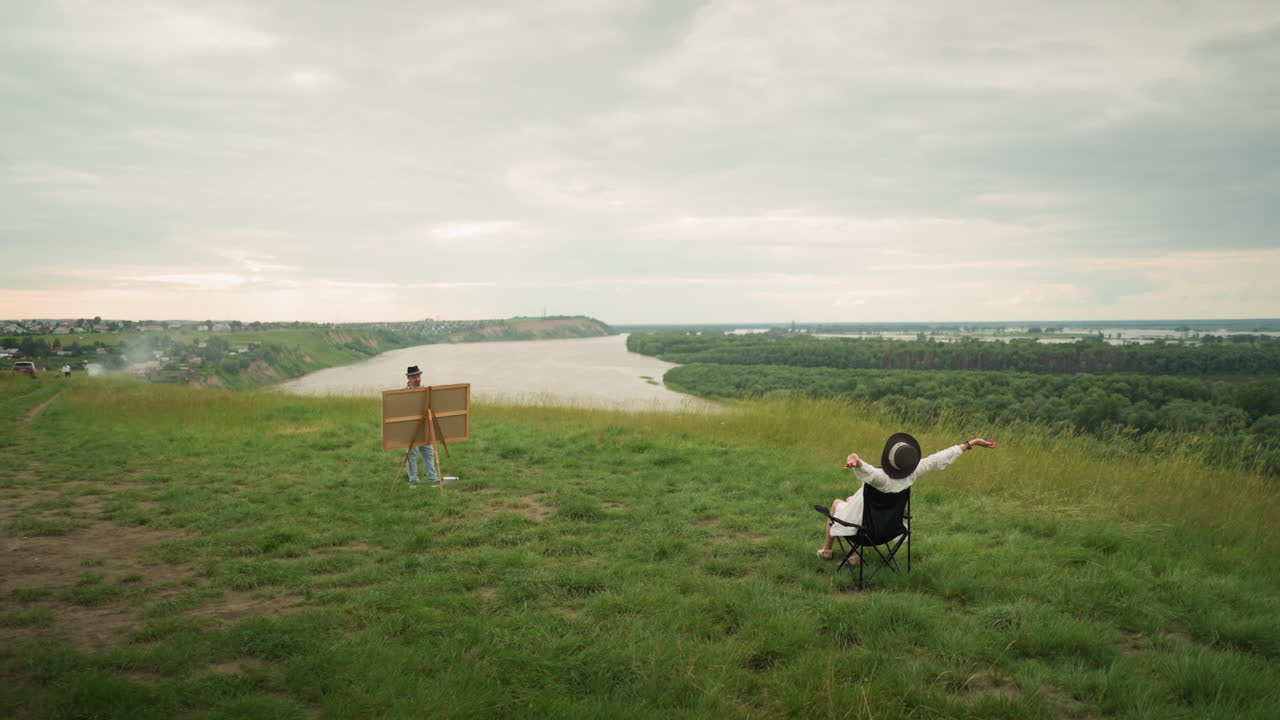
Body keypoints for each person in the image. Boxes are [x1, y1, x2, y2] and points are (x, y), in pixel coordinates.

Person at [817, 432, 997, 563]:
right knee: (850, 500)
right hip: (889, 530)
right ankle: (854, 555)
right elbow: (938, 458)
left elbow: (868, 471)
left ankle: (827, 550)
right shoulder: (911, 475)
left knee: (837, 504)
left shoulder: (880, 478)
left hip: (865, 532)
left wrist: (857, 462)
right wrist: (971, 443)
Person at [401, 365, 441, 489]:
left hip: (425, 428)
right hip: (410, 429)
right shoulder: (403, 393)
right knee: (411, 455)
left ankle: (433, 479)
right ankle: (414, 481)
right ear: (408, 378)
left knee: (429, 453)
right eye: (414, 377)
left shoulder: (426, 390)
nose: (417, 379)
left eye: (418, 376)